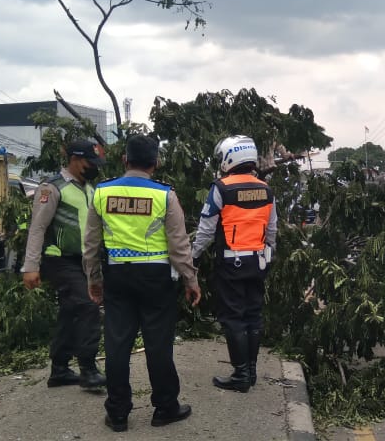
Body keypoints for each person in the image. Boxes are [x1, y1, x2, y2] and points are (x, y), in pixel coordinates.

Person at [83, 134, 201, 432]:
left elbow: (91, 244)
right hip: (155, 279)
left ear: (125, 160)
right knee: (158, 344)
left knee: (117, 344)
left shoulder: (102, 193)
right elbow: (178, 244)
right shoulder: (164, 196)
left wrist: (93, 279)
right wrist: (191, 279)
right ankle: (165, 408)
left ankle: (118, 413)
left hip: (117, 277)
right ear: (156, 163)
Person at [192, 135, 277, 393]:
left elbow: (206, 231)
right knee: (253, 315)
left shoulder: (221, 188)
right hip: (259, 262)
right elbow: (272, 229)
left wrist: (192, 258)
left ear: (230, 157)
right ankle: (250, 371)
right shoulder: (266, 189)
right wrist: (269, 255)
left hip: (231, 264)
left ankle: (240, 375)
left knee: (234, 318)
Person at [21, 140, 106, 390]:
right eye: (90, 163)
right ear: (75, 160)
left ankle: (59, 369)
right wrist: (30, 267)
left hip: (85, 261)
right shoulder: (52, 188)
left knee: (70, 311)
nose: (94, 168)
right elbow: (37, 227)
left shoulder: (89, 189)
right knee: (88, 307)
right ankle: (88, 369)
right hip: (60, 259)